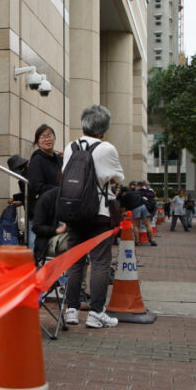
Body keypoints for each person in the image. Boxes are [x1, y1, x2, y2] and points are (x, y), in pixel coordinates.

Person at [61, 105, 124, 329]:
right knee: (99, 262)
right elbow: (117, 178)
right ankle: (97, 312)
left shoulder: (70, 147)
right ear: (103, 128)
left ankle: (71, 309)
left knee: (75, 261)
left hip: (74, 212)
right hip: (99, 213)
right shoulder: (106, 148)